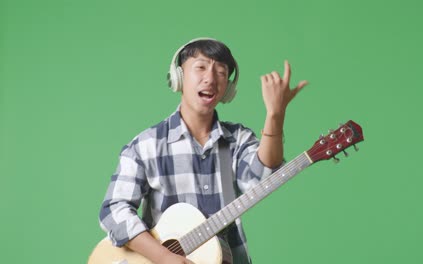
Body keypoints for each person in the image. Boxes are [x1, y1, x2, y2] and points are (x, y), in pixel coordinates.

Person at [98, 38, 308, 264]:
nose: (210, 78)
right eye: (200, 67)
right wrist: (163, 256)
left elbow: (263, 178)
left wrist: (275, 115)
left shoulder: (236, 140)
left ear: (228, 88)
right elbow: (114, 210)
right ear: (179, 76)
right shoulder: (146, 145)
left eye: (220, 71)